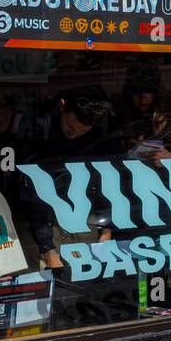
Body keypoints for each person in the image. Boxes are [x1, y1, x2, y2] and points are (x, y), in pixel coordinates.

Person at [16, 85, 111, 270]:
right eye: (69, 127)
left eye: (82, 131)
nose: (74, 134)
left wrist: (107, 229)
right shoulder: (37, 131)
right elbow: (34, 195)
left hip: (84, 214)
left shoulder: (98, 137)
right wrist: (48, 249)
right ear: (62, 106)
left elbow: (105, 184)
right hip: (44, 219)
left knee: (85, 275)